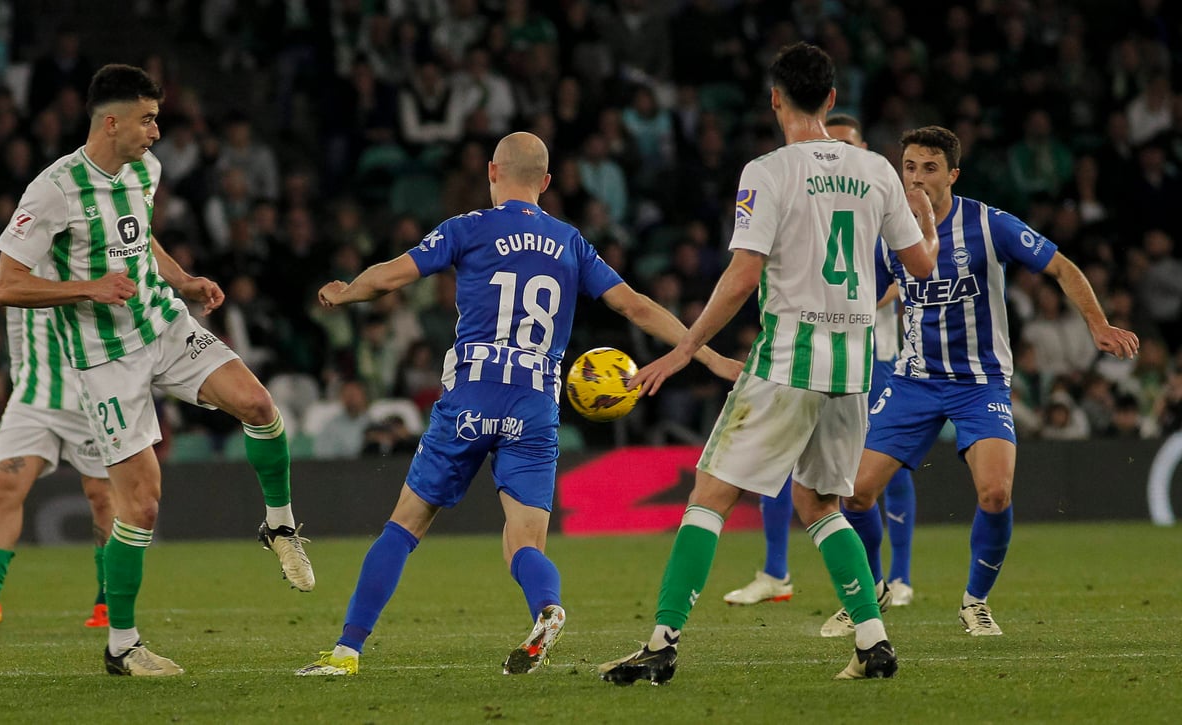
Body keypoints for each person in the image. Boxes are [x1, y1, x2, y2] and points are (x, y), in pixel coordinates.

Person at [295, 131, 742, 678]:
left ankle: (346, 652)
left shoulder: (468, 228)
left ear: (491, 171)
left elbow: (390, 277)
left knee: (405, 525)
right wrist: (710, 358)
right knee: (524, 541)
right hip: (534, 403)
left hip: (471, 395)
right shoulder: (572, 242)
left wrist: (345, 291)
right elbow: (637, 307)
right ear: (547, 182)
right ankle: (546, 609)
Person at [597, 42, 940, 686]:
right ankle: (873, 641)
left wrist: (685, 348)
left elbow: (741, 275)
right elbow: (921, 268)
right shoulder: (878, 171)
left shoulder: (768, 170)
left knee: (709, 496)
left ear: (775, 98)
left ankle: (662, 644)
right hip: (854, 366)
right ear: (832, 99)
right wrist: (926, 223)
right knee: (820, 503)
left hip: (788, 357)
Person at [0, 64, 315, 677]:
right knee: (139, 507)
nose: (157, 132)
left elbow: (139, 240)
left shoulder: (146, 169)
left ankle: (279, 525)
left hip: (164, 326)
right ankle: (122, 645)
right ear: (111, 122)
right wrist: (88, 287)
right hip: (104, 360)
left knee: (259, 406)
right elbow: (6, 286)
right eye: (147, 119)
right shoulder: (53, 190)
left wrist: (183, 279)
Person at [818, 125, 1138, 639]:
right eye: (909, 167)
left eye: (929, 168)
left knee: (995, 494)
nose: (916, 178)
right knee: (854, 495)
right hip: (913, 380)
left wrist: (1097, 324)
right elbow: (858, 299)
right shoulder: (886, 232)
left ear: (952, 174)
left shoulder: (990, 225)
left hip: (980, 383)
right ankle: (872, 587)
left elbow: (1061, 266)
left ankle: (975, 602)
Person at [724, 114, 919, 611]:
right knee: (780, 457)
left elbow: (916, 270)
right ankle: (776, 571)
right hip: (817, 348)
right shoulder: (814, 207)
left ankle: (897, 576)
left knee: (880, 467)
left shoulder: (880, 201)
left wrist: (877, 300)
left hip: (875, 355)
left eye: (847, 145)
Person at [0, 307, 114, 628]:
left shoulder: (92, 257)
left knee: (101, 495)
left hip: (91, 392)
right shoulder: (22, 258)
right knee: (4, 486)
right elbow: (15, 314)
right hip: (35, 394)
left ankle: (109, 599)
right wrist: (21, 376)